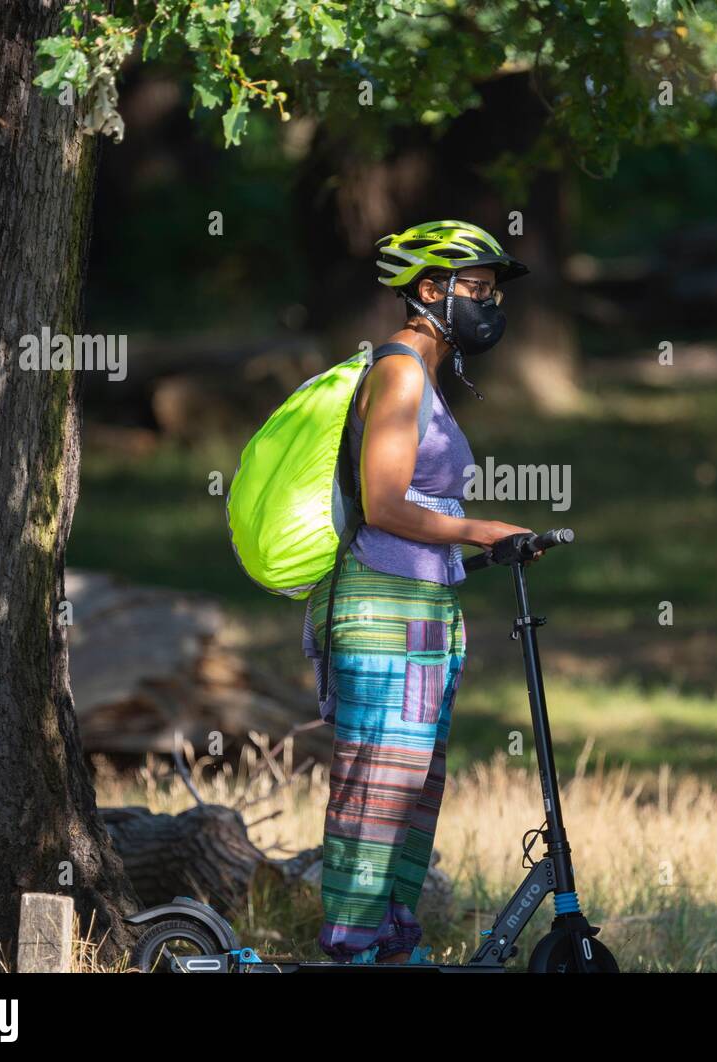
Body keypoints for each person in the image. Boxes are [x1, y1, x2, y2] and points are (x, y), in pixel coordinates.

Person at [301, 220, 534, 963]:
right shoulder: (400, 372)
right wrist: (481, 530)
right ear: (430, 290)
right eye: (478, 290)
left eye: (494, 292)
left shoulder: (423, 374)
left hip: (425, 610)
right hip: (382, 610)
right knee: (375, 786)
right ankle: (353, 949)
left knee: (411, 787)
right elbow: (383, 503)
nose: (490, 305)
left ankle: (393, 944)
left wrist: (480, 550)